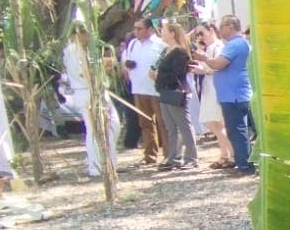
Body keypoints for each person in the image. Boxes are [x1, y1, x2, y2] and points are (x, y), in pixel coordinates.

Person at [196, 16, 255, 176]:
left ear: (230, 26)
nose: (219, 30)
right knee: (238, 130)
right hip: (234, 93)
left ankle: (244, 166)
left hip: (234, 95)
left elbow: (218, 64)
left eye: (221, 26)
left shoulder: (235, 44)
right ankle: (244, 164)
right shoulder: (239, 43)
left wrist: (203, 58)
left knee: (237, 131)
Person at [62, 25, 122, 177]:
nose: (89, 38)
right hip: (87, 93)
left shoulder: (85, 50)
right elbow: (83, 73)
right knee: (95, 131)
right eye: (87, 34)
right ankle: (97, 166)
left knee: (112, 125)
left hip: (98, 92)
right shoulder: (72, 51)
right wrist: (103, 64)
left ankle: (109, 162)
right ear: (79, 34)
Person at [153, 23, 198, 170]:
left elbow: (179, 74)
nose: (161, 33)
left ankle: (191, 157)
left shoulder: (180, 52)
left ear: (172, 33)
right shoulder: (166, 50)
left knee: (183, 125)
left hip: (175, 91)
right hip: (164, 91)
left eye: (164, 31)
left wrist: (160, 76)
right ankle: (174, 156)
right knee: (171, 127)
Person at [189, 23, 233, 169]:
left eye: (202, 33)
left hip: (216, 87)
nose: (200, 37)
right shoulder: (209, 48)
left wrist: (204, 69)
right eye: (198, 35)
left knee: (216, 123)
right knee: (213, 123)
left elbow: (219, 66)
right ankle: (224, 153)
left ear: (211, 31)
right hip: (209, 86)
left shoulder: (219, 46)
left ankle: (231, 154)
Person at [123, 17, 166, 165]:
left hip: (155, 89)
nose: (136, 31)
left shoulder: (160, 44)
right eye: (135, 28)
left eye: (139, 28)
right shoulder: (133, 44)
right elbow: (126, 61)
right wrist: (128, 66)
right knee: (145, 123)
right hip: (138, 88)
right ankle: (150, 155)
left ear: (149, 29)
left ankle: (169, 154)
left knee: (163, 123)